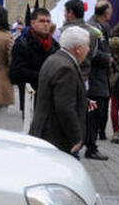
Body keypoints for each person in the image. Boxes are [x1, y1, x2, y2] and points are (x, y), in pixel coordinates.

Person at [29, 26, 92, 154]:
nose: (89, 50)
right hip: (56, 137)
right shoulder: (65, 68)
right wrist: (77, 138)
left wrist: (83, 100)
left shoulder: (55, 59)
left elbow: (59, 94)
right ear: (79, 49)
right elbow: (64, 107)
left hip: (46, 133)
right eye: (87, 46)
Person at [11, 8, 60, 109]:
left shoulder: (55, 45)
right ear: (33, 23)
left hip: (50, 96)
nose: (46, 24)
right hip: (30, 96)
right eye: (42, 21)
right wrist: (43, 76)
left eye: (48, 21)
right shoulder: (22, 43)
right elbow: (16, 72)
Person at [85, 2, 113, 157]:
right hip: (94, 77)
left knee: (98, 113)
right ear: (106, 13)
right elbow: (92, 53)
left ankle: (91, 143)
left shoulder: (101, 27)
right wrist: (107, 58)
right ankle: (90, 146)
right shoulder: (93, 28)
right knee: (94, 114)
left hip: (100, 77)